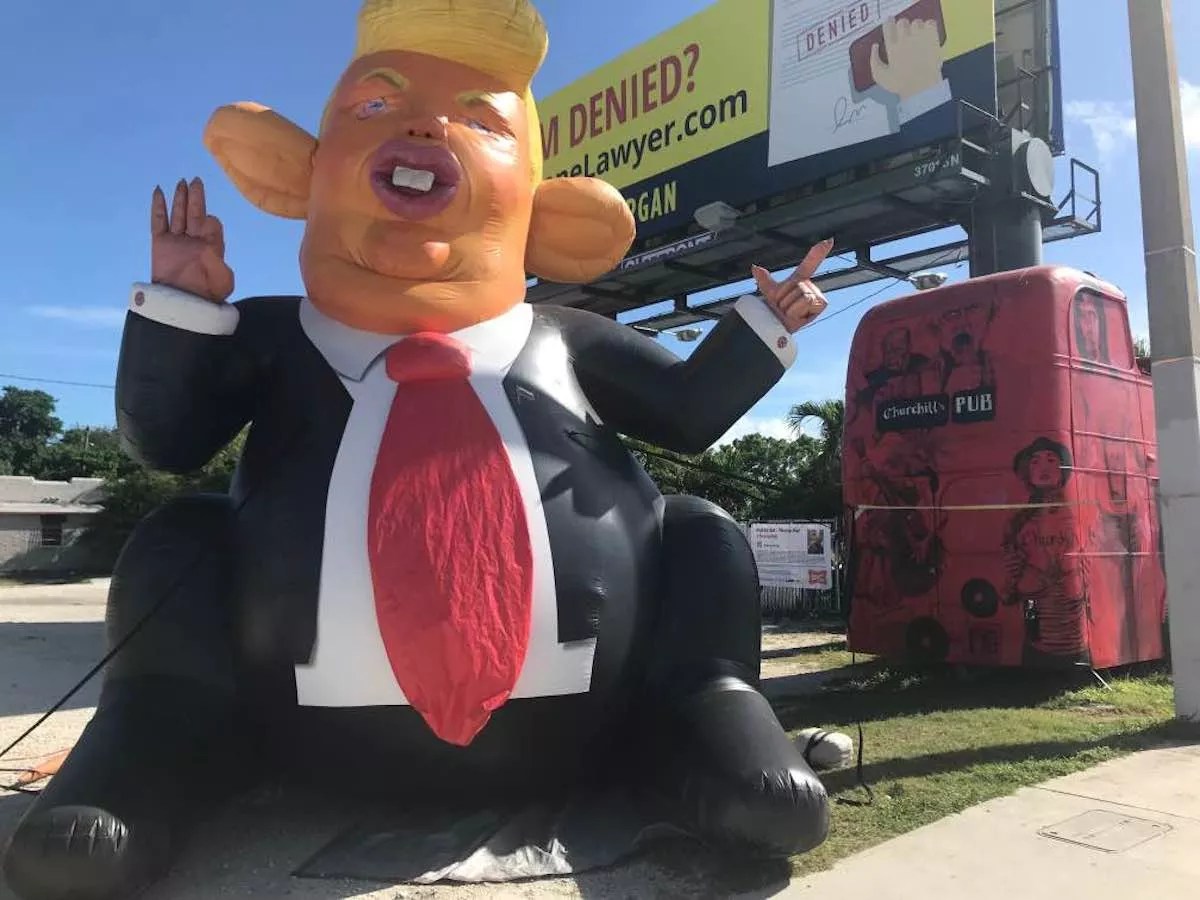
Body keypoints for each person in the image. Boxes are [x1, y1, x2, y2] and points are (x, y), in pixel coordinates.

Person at [2, 3, 835, 899]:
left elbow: (687, 412)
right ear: (301, 172)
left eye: (483, 119)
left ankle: (703, 708)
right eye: (375, 105)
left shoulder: (565, 339)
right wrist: (182, 309)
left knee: (701, 534)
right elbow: (165, 443)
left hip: (595, 715)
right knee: (178, 537)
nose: (429, 124)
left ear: (550, 213)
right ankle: (156, 739)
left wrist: (760, 326)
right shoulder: (276, 336)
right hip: (295, 727)